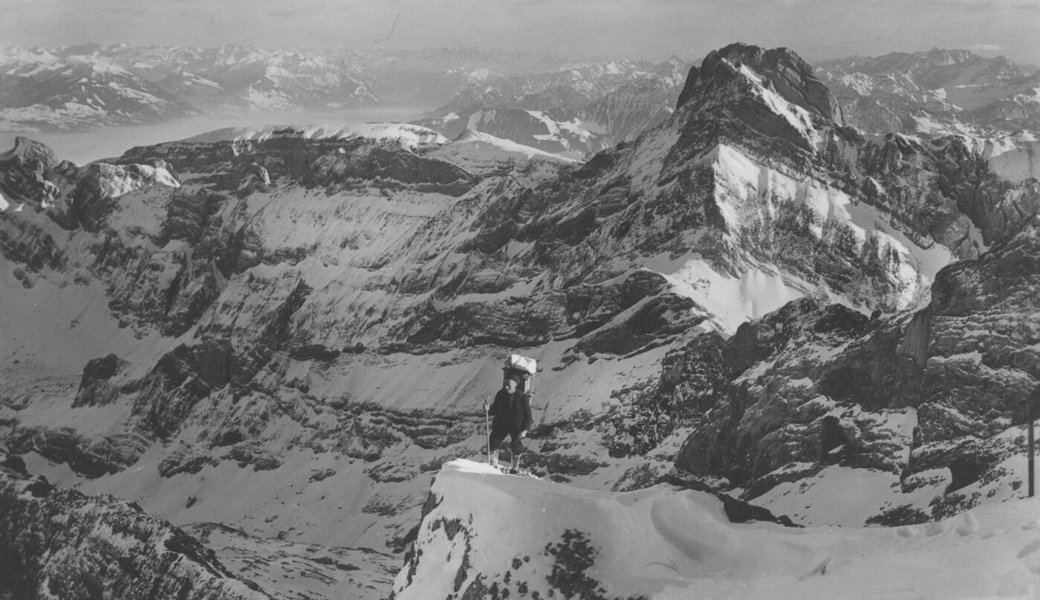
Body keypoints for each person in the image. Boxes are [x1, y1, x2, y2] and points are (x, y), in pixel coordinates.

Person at [483, 374, 532, 471]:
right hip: (502, 423)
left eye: (508, 384)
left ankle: (515, 467)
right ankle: (493, 464)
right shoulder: (501, 394)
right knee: (493, 442)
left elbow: (528, 416)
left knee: (516, 444)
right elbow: (495, 409)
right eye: (505, 384)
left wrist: (525, 429)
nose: (506, 386)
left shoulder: (522, 397)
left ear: (515, 385)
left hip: (517, 425)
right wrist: (488, 409)